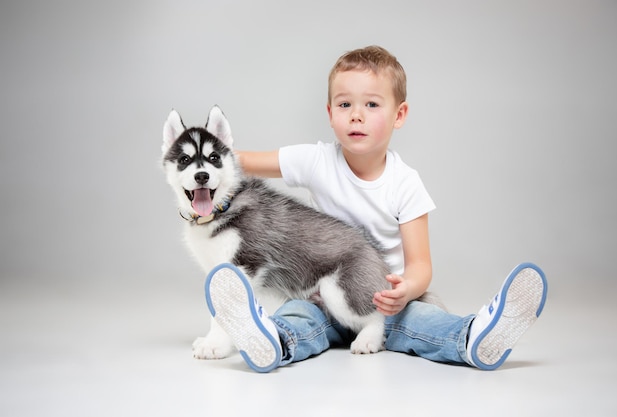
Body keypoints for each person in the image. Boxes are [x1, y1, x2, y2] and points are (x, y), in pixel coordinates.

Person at [204, 45, 547, 373]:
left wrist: (405, 291)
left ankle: (474, 336)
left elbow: (420, 265)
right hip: (323, 297)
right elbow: (239, 161)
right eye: (344, 104)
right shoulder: (316, 161)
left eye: (371, 104)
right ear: (329, 114)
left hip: (384, 305)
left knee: (423, 320)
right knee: (298, 315)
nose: (356, 115)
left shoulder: (405, 183)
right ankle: (273, 342)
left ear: (399, 115)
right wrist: (201, 164)